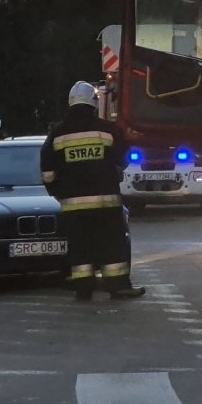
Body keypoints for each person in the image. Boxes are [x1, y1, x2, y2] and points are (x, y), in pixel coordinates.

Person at [40, 81, 145, 301]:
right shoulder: (107, 130)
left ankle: (83, 290)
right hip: (106, 204)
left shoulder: (57, 135)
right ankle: (118, 287)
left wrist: (58, 192)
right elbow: (124, 157)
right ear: (93, 102)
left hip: (73, 207)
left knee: (80, 248)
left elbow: (47, 172)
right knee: (112, 245)